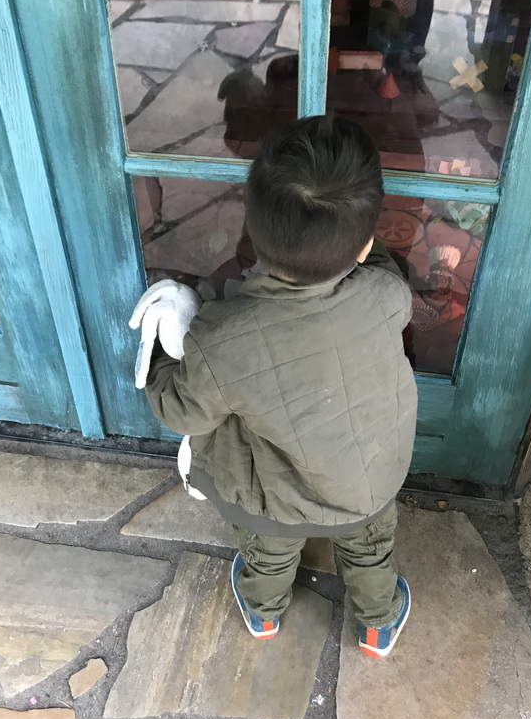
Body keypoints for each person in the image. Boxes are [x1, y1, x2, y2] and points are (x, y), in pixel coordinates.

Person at [144, 115, 417, 658]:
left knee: (268, 556)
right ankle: (377, 625)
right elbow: (376, 264)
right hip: (371, 484)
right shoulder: (388, 293)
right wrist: (357, 243)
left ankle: (265, 614)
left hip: (274, 501)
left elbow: (182, 412)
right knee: (370, 554)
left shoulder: (222, 338)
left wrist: (159, 356)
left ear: (255, 230)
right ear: (363, 246)